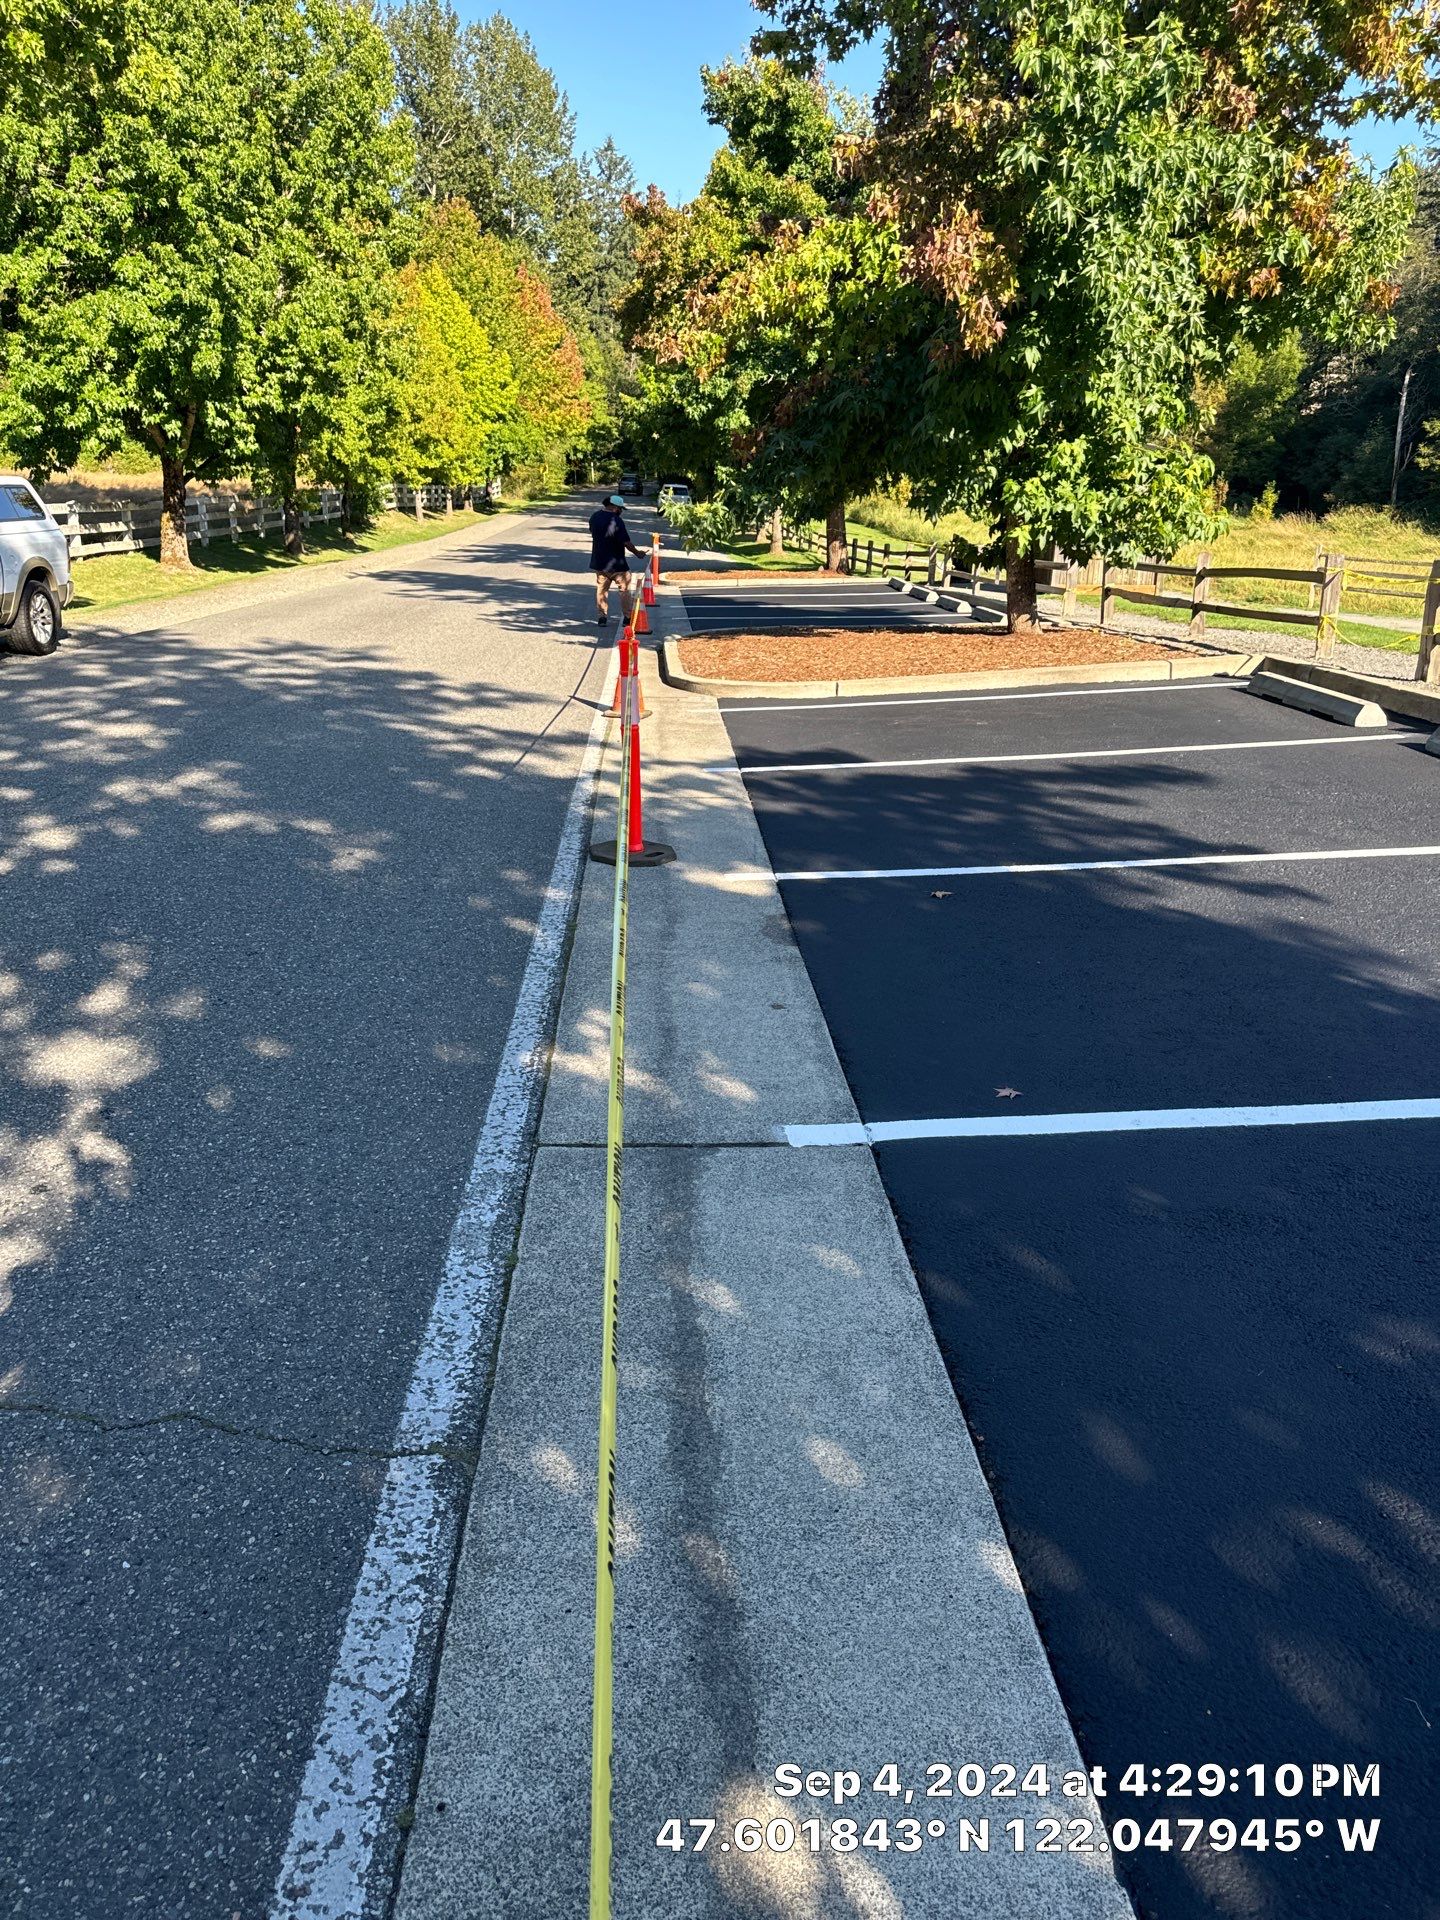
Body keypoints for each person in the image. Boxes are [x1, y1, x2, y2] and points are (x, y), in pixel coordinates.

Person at [588, 493, 645, 626]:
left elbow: (593, 532)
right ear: (614, 507)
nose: (621, 512)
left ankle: (602, 618)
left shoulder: (594, 517)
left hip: (599, 562)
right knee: (624, 590)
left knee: (601, 590)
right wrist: (638, 553)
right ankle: (627, 617)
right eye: (620, 509)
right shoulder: (616, 520)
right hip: (617, 564)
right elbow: (626, 542)